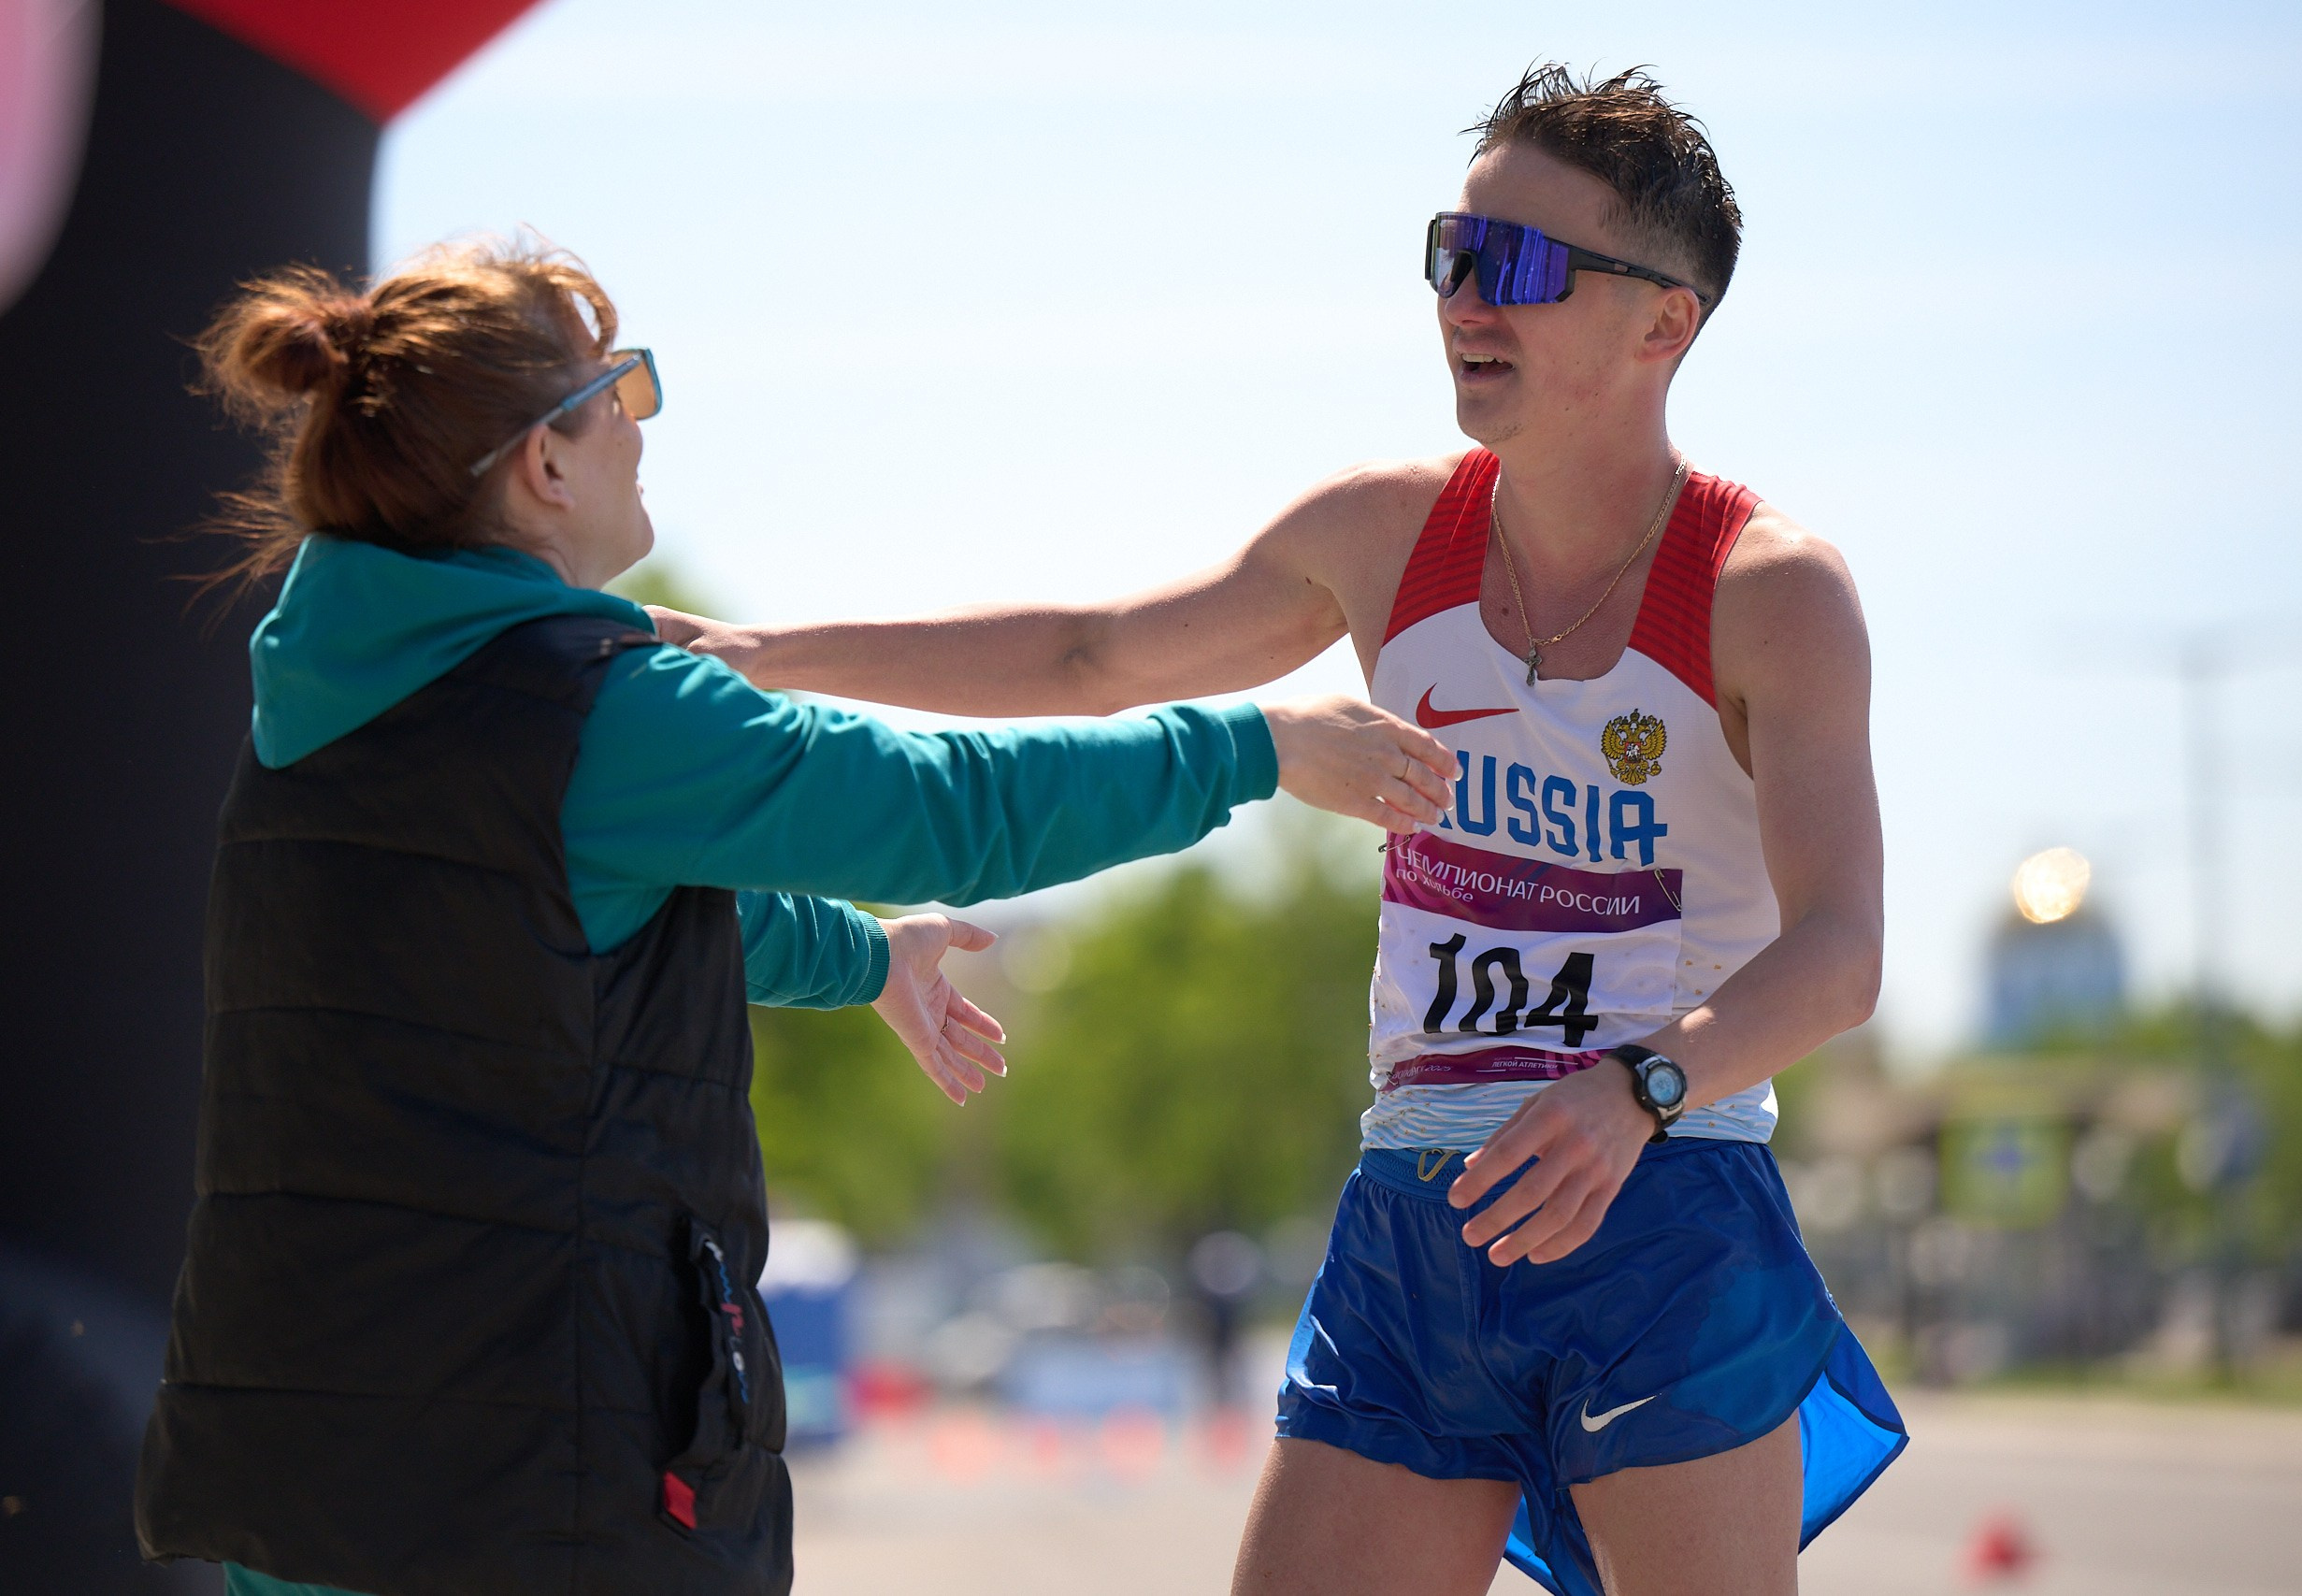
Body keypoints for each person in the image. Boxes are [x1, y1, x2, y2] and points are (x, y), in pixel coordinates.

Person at [655, 65, 1906, 1596]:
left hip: (1662, 1202)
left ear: (1665, 323)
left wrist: (1637, 1089)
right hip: (1420, 1216)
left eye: (1515, 266)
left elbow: (1841, 956)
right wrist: (769, 655)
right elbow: (1092, 653)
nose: (1464, 299)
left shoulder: (1770, 587)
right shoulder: (1382, 533)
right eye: (1450, 254)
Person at [130, 240, 1456, 1596]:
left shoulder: (324, 712)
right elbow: (944, 806)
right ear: (546, 463)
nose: (643, 432)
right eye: (621, 391)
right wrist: (1254, 746)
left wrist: (868, 956)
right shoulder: (593, 709)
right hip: (527, 1487)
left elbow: (570, 927)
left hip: (310, 1469)